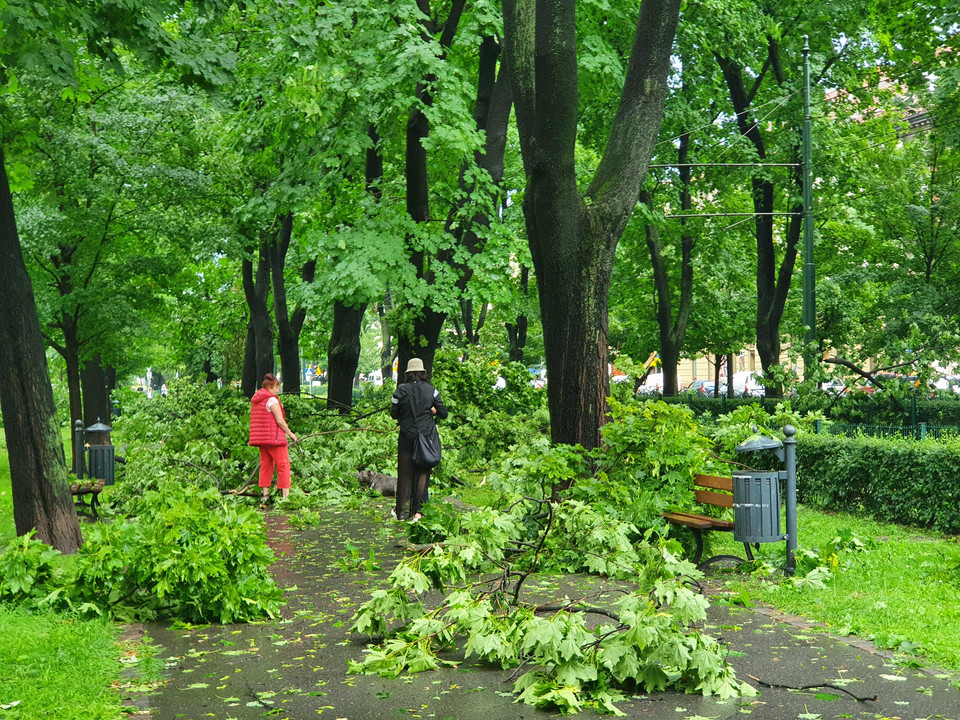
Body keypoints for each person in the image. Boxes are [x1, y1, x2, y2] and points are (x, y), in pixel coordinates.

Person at [390, 358, 448, 522]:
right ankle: (418, 513)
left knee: (405, 473)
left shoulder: (400, 390)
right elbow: (444, 413)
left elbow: (394, 413)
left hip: (407, 436)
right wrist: (433, 410)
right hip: (425, 437)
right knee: (423, 472)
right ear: (423, 373)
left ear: (407, 374)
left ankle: (401, 512)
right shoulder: (431, 390)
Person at [249, 373, 298, 505]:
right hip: (275, 439)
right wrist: (291, 434)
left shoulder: (257, 400)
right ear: (271, 386)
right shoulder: (272, 400)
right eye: (277, 386)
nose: (278, 390)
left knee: (266, 465)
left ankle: (265, 496)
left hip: (261, 440)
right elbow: (280, 421)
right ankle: (285, 497)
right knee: (283, 465)